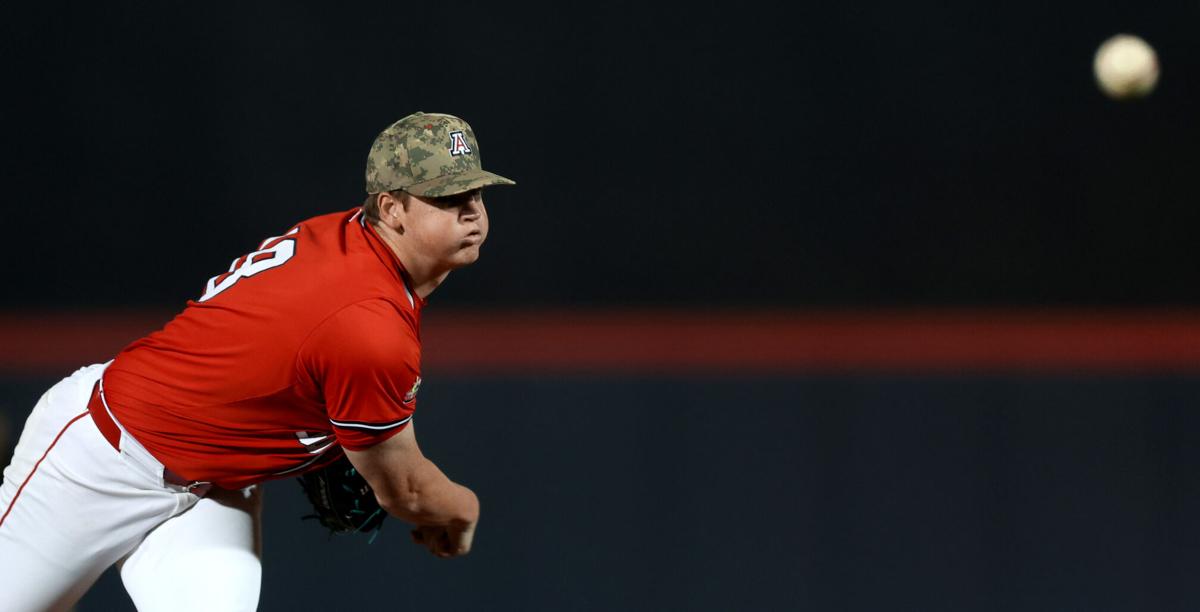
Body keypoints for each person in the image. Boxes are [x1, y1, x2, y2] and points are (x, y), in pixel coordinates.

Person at [0, 111, 514, 611]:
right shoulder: (368, 326)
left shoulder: (347, 236)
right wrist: (463, 511)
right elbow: (406, 491)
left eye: (476, 193)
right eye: (447, 198)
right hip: (101, 456)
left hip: (214, 489)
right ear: (392, 208)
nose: (471, 211)